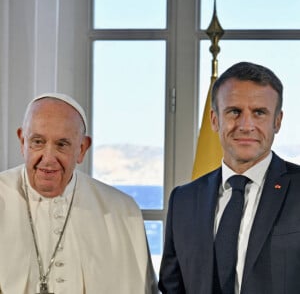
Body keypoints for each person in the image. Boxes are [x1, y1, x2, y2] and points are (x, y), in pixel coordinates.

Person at [158, 61, 300, 294]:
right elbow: (173, 286)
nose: (246, 126)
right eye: (234, 112)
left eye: (259, 113)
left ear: (277, 121)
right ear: (215, 120)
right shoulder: (183, 200)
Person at [0, 93, 158, 294]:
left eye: (62, 144)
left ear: (82, 148)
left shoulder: (122, 211)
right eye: (37, 142)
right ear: (22, 141)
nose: (48, 158)